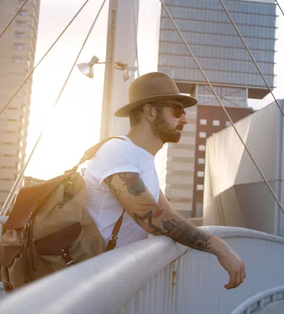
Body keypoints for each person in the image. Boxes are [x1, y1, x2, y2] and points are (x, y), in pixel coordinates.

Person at [84, 72, 245, 290]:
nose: (185, 119)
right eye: (177, 110)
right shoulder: (118, 151)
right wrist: (218, 247)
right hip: (88, 284)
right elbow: (153, 217)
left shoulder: (145, 162)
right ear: (149, 112)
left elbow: (172, 217)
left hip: (110, 281)